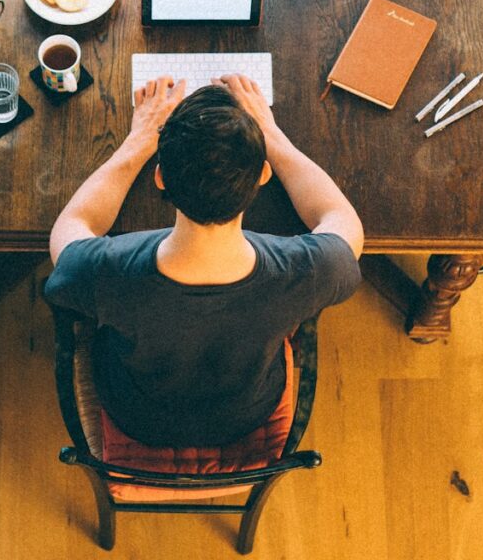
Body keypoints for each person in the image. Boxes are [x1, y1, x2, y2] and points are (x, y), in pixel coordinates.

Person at [43, 74, 363, 447]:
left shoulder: (105, 272)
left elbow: (71, 226)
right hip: (245, 414)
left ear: (160, 177)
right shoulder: (306, 273)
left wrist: (137, 142)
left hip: (137, 414)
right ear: (263, 174)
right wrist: (272, 138)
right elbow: (342, 220)